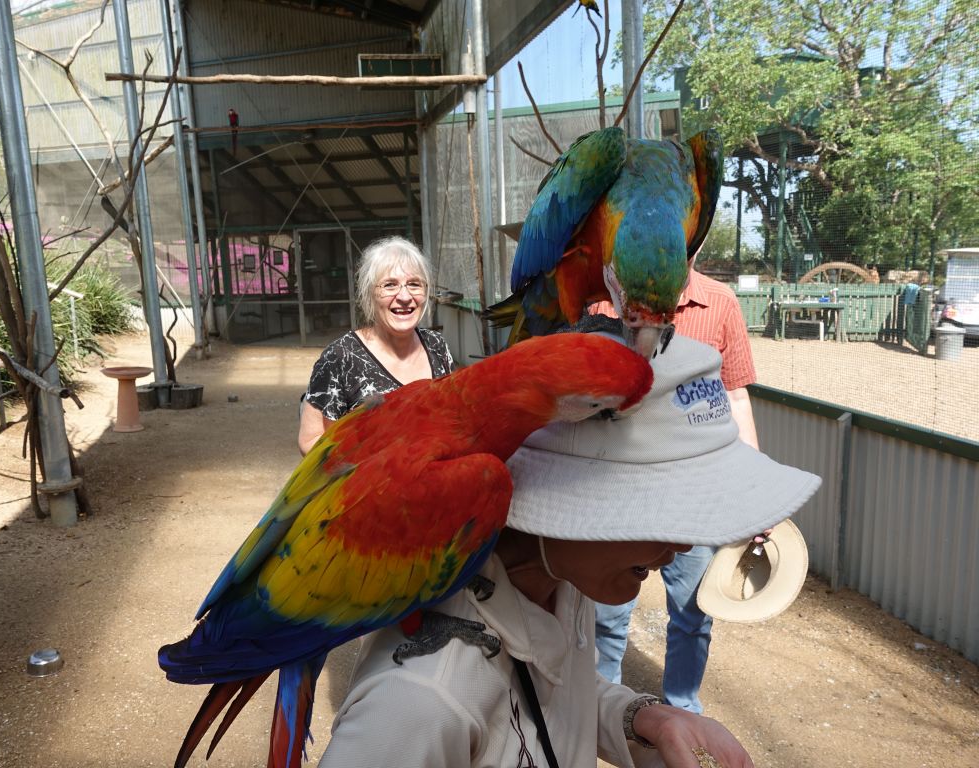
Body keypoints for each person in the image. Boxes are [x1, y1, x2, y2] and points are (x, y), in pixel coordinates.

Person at [318, 336, 820, 767]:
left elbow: (549, 695)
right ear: (576, 500)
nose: (685, 545)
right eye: (662, 513)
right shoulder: (420, 701)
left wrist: (643, 719)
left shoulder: (563, 579)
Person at [590, 263, 760, 712]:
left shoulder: (719, 302)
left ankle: (683, 708)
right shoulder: (606, 298)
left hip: (694, 490)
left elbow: (737, 395)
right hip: (622, 486)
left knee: (692, 612)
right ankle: (600, 704)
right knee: (606, 612)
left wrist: (753, 487)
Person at [298, 236, 454, 455]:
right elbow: (310, 440)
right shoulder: (341, 357)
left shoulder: (436, 345)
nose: (404, 296)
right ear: (370, 294)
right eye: (390, 285)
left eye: (414, 284)